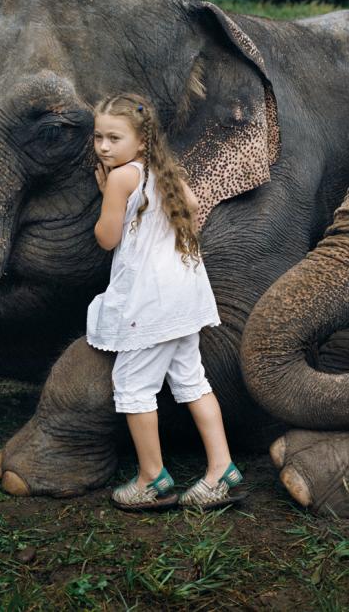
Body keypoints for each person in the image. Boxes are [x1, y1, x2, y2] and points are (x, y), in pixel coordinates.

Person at [87, 93, 244, 512]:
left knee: (133, 384)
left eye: (114, 138)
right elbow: (191, 206)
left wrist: (106, 195)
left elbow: (106, 238)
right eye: (99, 137)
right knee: (192, 381)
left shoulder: (121, 178)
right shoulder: (163, 171)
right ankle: (222, 469)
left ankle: (151, 479)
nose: (103, 147)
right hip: (183, 294)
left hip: (151, 301)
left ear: (141, 141)